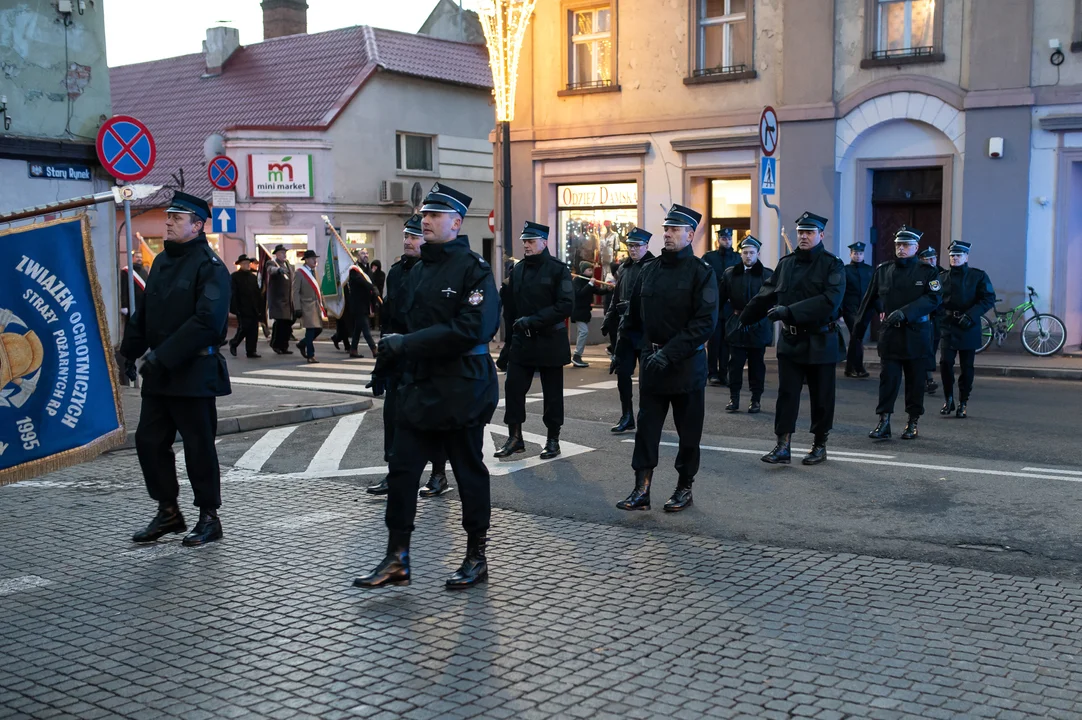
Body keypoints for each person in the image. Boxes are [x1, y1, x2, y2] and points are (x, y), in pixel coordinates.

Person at [354, 182, 500, 590]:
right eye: (425, 216)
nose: (426, 222)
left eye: (435, 216)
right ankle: (397, 557)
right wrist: (387, 365)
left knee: (468, 471)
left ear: (456, 223)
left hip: (461, 389)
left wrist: (407, 345)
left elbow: (473, 328)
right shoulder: (416, 270)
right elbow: (403, 327)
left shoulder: (475, 269)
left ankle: (475, 556)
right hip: (419, 387)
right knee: (402, 471)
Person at [120, 191, 231, 547]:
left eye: (176, 218)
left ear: (197, 225)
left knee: (199, 447)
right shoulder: (162, 263)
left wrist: (160, 357)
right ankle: (169, 512)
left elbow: (206, 323)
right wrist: (127, 354)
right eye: (168, 216)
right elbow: (145, 314)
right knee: (149, 442)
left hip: (194, 372)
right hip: (161, 373)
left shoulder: (210, 267)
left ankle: (209, 518)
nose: (168, 222)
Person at [616, 204, 717, 513]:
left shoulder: (702, 273)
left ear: (691, 234)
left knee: (688, 433)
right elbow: (633, 316)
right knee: (646, 430)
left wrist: (669, 353)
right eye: (666, 229)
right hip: (652, 362)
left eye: (674, 229)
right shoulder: (650, 269)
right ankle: (641, 488)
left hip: (686, 365)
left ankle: (684, 487)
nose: (668, 234)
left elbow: (703, 324)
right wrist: (624, 351)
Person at [739, 212, 845, 466]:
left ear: (821, 235)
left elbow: (829, 301)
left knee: (822, 396)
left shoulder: (832, 265)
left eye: (809, 232)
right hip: (791, 341)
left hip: (821, 340)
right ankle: (783, 445)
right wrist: (744, 319)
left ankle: (820, 444)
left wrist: (790, 312)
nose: (804, 237)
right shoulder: (786, 263)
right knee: (787, 395)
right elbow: (767, 293)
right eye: (800, 232)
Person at [365, 214, 450, 498]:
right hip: (399, 358)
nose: (408, 241)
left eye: (413, 236)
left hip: (424, 355)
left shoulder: (435, 270)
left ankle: (439, 474)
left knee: (431, 418)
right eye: (406, 236)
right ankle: (395, 474)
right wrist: (380, 366)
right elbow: (389, 322)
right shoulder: (396, 271)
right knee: (394, 418)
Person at [494, 221, 573, 460]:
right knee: (513, 389)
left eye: (531, 241)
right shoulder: (517, 271)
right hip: (522, 341)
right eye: (524, 242)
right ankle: (515, 438)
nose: (526, 245)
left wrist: (535, 320)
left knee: (552, 394)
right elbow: (511, 310)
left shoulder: (558, 269)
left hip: (550, 340)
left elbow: (566, 305)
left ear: (544, 242)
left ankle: (552, 439)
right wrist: (507, 345)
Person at [858, 226, 943, 441]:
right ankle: (883, 421)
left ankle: (912, 422)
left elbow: (933, 299)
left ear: (916, 247)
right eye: (898, 245)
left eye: (906, 245)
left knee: (915, 382)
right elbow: (869, 299)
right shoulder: (883, 271)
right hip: (890, 336)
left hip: (916, 334)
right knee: (888, 381)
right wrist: (858, 332)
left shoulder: (928, 272)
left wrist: (905, 313)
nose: (901, 249)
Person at [938, 240, 995, 419]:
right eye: (953, 255)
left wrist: (970, 316)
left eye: (959, 255)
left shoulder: (977, 276)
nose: (955, 258)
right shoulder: (942, 277)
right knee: (945, 363)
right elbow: (934, 299)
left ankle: (963, 402)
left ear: (966, 257)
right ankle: (948, 398)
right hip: (948, 324)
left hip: (968, 325)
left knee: (966, 366)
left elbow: (988, 298)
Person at [606, 229, 654, 433]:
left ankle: (646, 417)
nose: (633, 250)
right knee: (622, 374)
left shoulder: (654, 267)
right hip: (625, 331)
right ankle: (627, 415)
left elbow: (656, 299)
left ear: (646, 246)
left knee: (646, 380)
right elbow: (616, 296)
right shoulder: (624, 268)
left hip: (644, 331)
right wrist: (609, 317)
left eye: (637, 246)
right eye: (630, 246)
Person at [719, 236, 773, 413]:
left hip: (759, 324)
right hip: (737, 323)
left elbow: (773, 299)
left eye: (751, 253)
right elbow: (720, 299)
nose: (748, 256)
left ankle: (755, 399)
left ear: (758, 253)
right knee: (735, 364)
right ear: (740, 254)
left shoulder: (767, 274)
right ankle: (733, 398)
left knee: (757, 365)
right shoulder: (730, 273)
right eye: (745, 253)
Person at [702, 228, 742, 386]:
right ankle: (712, 373)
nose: (726, 240)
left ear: (732, 239)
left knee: (727, 342)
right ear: (718, 239)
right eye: (723, 238)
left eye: (728, 238)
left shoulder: (737, 258)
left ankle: (723, 372)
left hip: (730, 306)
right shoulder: (709, 257)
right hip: (713, 305)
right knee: (714, 341)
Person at [570, 260, 610, 368]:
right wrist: (590, 284)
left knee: (582, 333)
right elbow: (579, 294)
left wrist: (607, 289)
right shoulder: (577, 280)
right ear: (583, 271)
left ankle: (577, 356)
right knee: (583, 332)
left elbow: (598, 291)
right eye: (589, 270)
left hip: (585, 312)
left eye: (591, 269)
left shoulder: (588, 281)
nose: (591, 271)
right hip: (578, 311)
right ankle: (577, 355)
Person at [118, 249, 150, 386]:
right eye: (137, 256)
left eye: (140, 257)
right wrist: (124, 304)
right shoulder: (126, 271)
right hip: (131, 306)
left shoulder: (144, 271)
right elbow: (124, 288)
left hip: (142, 305)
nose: (139, 258)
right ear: (132, 258)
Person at [842, 241, 873, 378]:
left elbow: (874, 290)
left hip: (865, 309)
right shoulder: (845, 270)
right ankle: (857, 367)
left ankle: (850, 368)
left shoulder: (869, 270)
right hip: (850, 309)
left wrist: (880, 308)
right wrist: (839, 311)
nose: (858, 255)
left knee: (857, 338)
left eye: (860, 253)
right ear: (850, 254)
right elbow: (841, 291)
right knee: (856, 336)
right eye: (855, 253)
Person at [292, 249, 325, 363]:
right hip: (306, 305)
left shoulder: (314, 272)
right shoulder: (299, 273)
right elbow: (295, 291)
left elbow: (319, 290)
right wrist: (297, 308)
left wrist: (323, 304)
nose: (315, 260)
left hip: (316, 305)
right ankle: (311, 355)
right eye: (312, 258)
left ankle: (302, 343)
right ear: (306, 260)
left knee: (319, 329)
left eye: (315, 258)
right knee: (310, 330)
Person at [227, 255, 263, 359]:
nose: (247, 265)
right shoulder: (234, 277)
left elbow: (257, 294)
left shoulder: (253, 277)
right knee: (244, 328)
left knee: (253, 330)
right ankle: (234, 342)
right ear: (240, 265)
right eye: (244, 263)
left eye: (248, 263)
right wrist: (234, 308)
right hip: (242, 308)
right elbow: (233, 293)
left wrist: (260, 308)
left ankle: (251, 351)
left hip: (253, 308)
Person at [266, 244, 295, 355]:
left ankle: (284, 346)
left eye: (284, 252)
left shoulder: (288, 264)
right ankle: (275, 344)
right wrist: (278, 270)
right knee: (280, 323)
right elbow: (270, 270)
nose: (284, 254)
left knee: (287, 324)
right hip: (278, 300)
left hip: (288, 300)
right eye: (282, 253)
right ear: (277, 254)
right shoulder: (272, 263)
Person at [347, 264, 379, 358]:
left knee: (357, 330)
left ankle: (353, 350)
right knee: (366, 329)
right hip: (358, 306)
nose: (365, 255)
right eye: (362, 253)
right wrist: (372, 287)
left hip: (364, 305)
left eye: (366, 253)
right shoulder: (353, 271)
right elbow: (361, 281)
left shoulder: (365, 271)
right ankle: (374, 349)